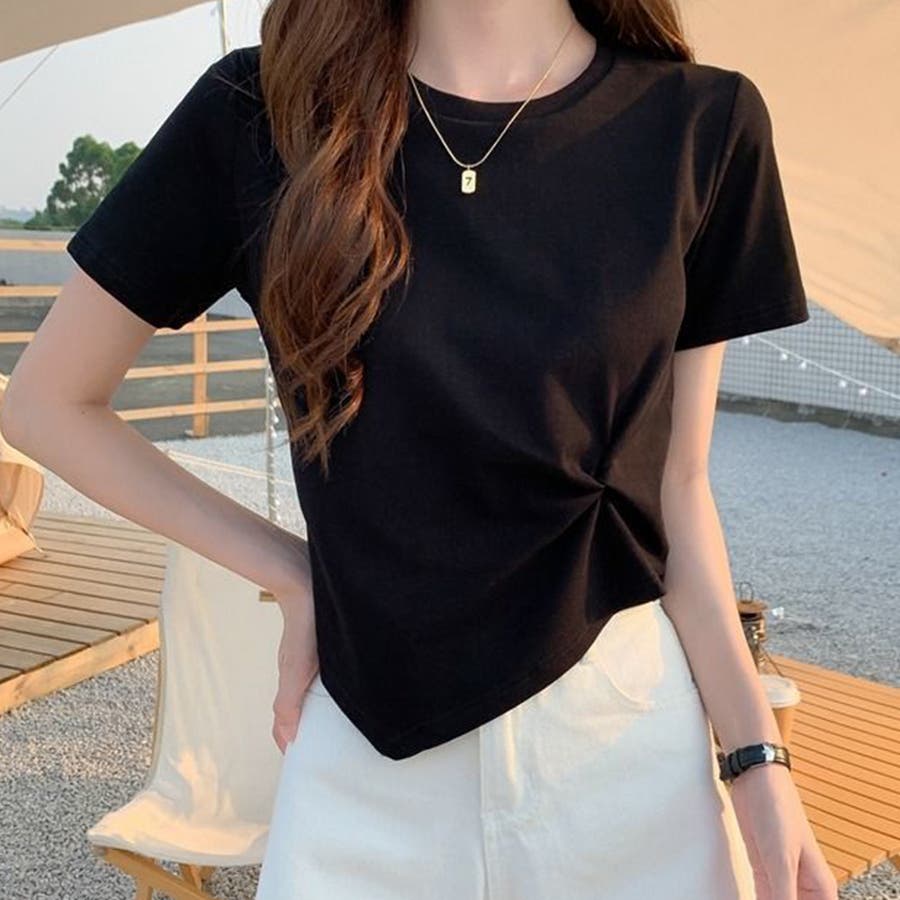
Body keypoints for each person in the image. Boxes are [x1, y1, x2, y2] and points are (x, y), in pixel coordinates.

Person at [2, 0, 839, 898]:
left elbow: (677, 485)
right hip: (365, 760)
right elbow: (48, 404)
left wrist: (757, 760)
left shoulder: (701, 124)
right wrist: (293, 570)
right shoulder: (261, 111)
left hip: (622, 746)